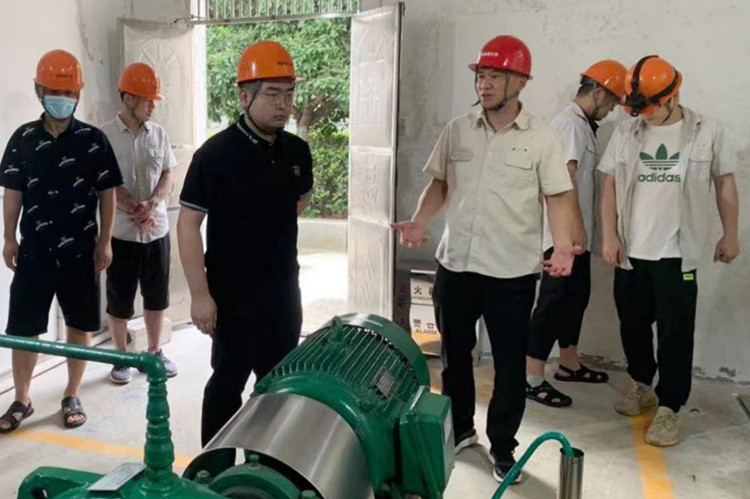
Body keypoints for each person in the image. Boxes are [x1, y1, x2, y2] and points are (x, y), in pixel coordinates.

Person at [392, 35, 584, 483]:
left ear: (520, 82)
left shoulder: (541, 137)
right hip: (456, 266)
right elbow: (440, 184)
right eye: (481, 75)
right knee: (454, 356)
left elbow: (558, 196)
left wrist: (562, 246)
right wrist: (420, 221)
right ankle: (461, 430)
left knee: (510, 366)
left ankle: (503, 448)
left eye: (496, 75)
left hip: (510, 273)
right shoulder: (458, 129)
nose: (485, 83)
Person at [177, 40, 313, 450]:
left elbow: (299, 201)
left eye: (289, 93)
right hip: (231, 297)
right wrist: (200, 295)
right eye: (272, 94)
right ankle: (213, 471)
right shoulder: (215, 155)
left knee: (278, 386)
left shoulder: (297, 152)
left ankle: (267, 469)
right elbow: (188, 226)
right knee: (227, 383)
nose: (283, 104)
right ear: (244, 97)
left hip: (283, 293)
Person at [599, 55, 740, 446]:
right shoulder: (626, 133)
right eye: (636, 109)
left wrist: (730, 235)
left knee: (676, 333)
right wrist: (609, 236)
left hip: (678, 254)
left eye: (649, 107)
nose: (642, 115)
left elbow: (725, 184)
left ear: (672, 95)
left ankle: (670, 407)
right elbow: (610, 186)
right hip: (631, 253)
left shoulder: (706, 132)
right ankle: (643, 385)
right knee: (632, 326)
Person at [0, 49, 122, 432]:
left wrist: (105, 240)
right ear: (39, 90)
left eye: (69, 92)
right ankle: (22, 399)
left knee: (79, 325)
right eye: (55, 91)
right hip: (34, 251)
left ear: (78, 94)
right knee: (23, 328)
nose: (63, 98)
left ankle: (71, 393)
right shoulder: (22, 139)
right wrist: (8, 237)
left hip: (81, 252)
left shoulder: (93, 140)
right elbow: (12, 191)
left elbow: (107, 192)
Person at [526, 60, 627, 408]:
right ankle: (531, 376)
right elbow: (564, 177)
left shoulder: (582, 125)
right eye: (612, 100)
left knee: (575, 298)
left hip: (574, 236)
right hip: (562, 236)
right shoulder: (569, 125)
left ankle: (569, 363)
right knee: (552, 303)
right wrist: (576, 228)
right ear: (597, 92)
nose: (612, 109)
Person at [100, 62, 178, 384]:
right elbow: (103, 182)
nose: (153, 106)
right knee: (119, 298)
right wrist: (133, 207)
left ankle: (154, 351)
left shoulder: (158, 134)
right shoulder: (104, 136)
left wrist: (153, 203)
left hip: (156, 230)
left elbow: (168, 174)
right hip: (121, 232)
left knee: (157, 296)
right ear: (129, 98)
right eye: (148, 100)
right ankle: (121, 357)